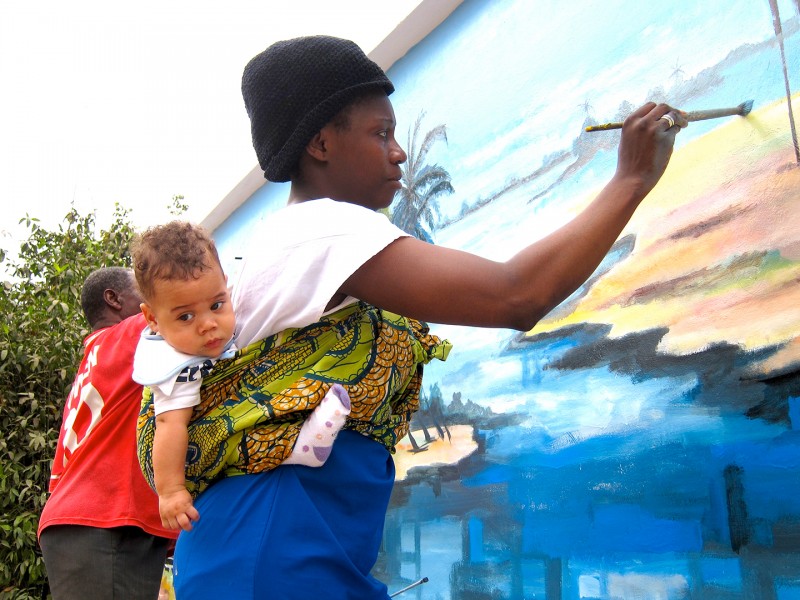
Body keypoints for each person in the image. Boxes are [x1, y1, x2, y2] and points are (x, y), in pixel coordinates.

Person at [139, 35, 688, 599]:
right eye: (380, 133)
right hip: (274, 547)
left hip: (271, 542)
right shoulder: (323, 229)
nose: (398, 152)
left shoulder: (289, 240)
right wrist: (630, 179)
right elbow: (517, 295)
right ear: (321, 144)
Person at [130, 221, 351, 531]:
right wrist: (171, 492)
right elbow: (169, 425)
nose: (208, 324)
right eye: (185, 316)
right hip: (203, 454)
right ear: (152, 318)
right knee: (243, 439)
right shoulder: (174, 366)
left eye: (217, 304)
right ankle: (301, 448)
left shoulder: (218, 307)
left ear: (225, 284)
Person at [38, 267, 177, 600]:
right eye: (143, 288)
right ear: (114, 299)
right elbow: (186, 306)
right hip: (104, 523)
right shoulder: (129, 337)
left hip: (80, 521)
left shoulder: (92, 361)